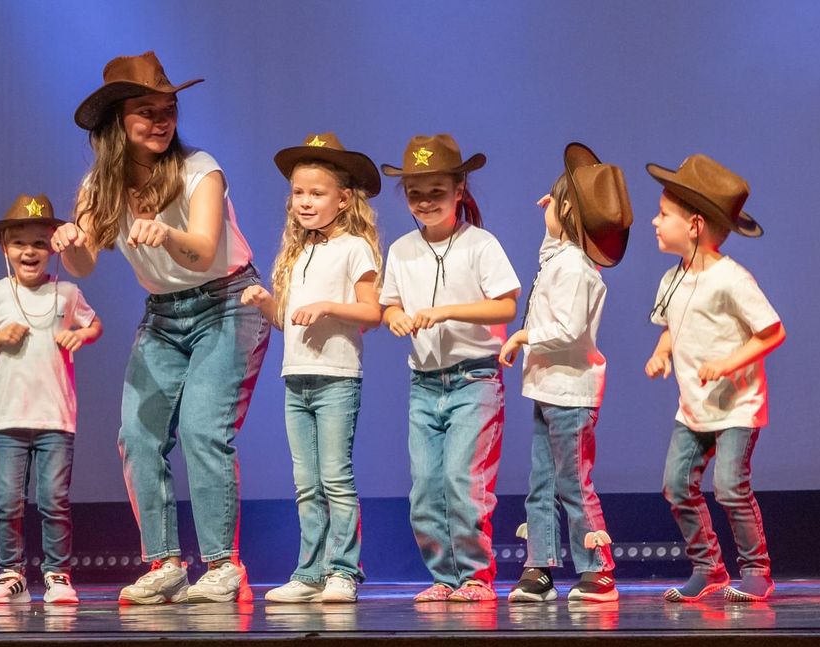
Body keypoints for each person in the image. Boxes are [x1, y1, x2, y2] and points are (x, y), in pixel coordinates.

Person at [53, 51, 269, 604]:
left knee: (202, 429)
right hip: (165, 316)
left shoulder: (201, 169)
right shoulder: (99, 186)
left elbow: (200, 252)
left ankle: (222, 564)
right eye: (145, 111)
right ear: (116, 122)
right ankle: (165, 562)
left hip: (227, 302)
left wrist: (166, 235)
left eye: (167, 108)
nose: (160, 120)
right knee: (137, 437)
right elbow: (84, 265)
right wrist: (72, 244)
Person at [379, 134, 520, 603]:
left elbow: (504, 306)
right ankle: (445, 576)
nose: (424, 202)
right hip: (424, 383)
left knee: (463, 482)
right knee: (426, 487)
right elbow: (389, 306)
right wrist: (395, 316)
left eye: (436, 191)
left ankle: (475, 577)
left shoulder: (479, 244)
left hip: (474, 378)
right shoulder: (401, 250)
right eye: (415, 193)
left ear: (459, 190)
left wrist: (444, 311)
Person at [242, 133, 382, 603]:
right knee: (306, 483)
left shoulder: (355, 248)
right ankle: (310, 573)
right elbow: (289, 320)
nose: (305, 201)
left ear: (342, 200)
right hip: (296, 378)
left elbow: (372, 312)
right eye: (299, 192)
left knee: (335, 478)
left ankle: (343, 570)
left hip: (337, 378)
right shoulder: (297, 251)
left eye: (317, 193)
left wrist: (327, 306)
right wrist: (267, 304)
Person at [643, 154, 785, 603]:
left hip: (737, 406)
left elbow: (773, 331)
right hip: (694, 408)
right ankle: (709, 568)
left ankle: (756, 569)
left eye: (664, 215)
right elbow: (672, 325)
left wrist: (727, 364)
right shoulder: (671, 278)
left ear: (695, 225)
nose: (654, 221)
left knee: (728, 486)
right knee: (676, 486)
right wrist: (661, 353)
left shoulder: (731, 279)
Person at [499, 143, 633, 603]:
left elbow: (568, 328)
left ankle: (598, 570)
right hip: (548, 389)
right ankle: (540, 566)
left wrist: (523, 336)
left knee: (573, 483)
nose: (545, 209)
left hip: (572, 394)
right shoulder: (561, 257)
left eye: (553, 203)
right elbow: (549, 259)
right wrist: (553, 218)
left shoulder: (576, 267)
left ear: (569, 209)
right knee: (541, 483)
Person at [0, 194, 102, 605]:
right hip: (9, 418)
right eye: (19, 243)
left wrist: (80, 334)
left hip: (55, 418)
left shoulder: (66, 292)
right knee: (7, 500)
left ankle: (57, 573)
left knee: (53, 500)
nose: (29, 251)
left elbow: (94, 323)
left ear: (53, 248)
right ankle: (11, 573)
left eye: (39, 243)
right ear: (4, 248)